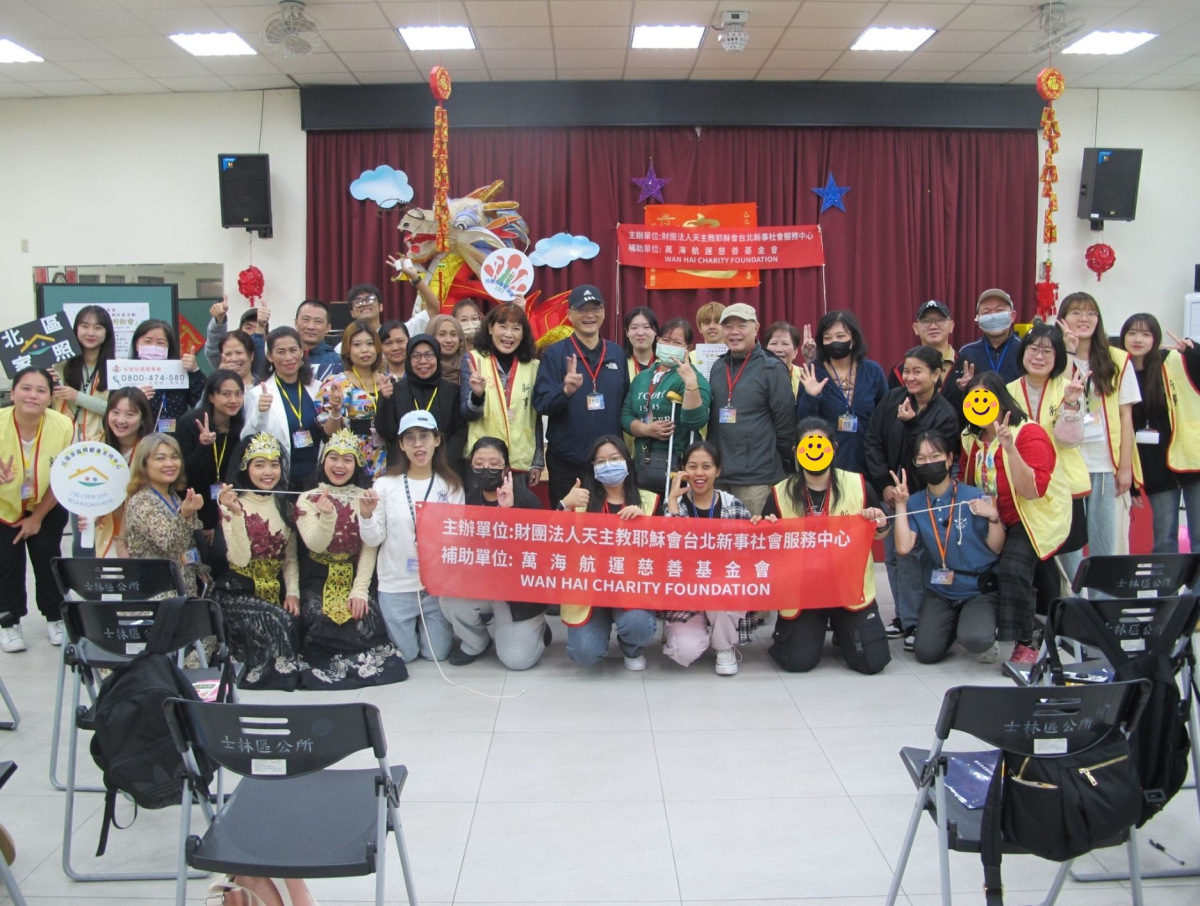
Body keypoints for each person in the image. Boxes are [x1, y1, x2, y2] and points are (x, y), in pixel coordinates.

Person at [755, 417, 892, 674]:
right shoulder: (779, 492)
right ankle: (802, 631)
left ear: (834, 449)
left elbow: (880, 533)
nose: (815, 451)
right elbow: (767, 547)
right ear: (796, 452)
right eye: (807, 446)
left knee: (872, 662)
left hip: (849, 591)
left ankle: (844, 632)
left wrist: (881, 523)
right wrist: (765, 527)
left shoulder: (858, 485)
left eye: (821, 445)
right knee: (798, 662)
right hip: (804, 593)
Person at [960, 372, 1071, 664]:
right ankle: (979, 629)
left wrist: (1009, 448)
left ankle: (1026, 641)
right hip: (990, 515)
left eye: (987, 398)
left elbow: (1031, 491)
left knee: (1012, 568)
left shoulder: (1028, 433)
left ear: (1000, 399)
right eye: (974, 399)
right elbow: (966, 479)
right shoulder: (970, 437)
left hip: (1029, 516)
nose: (981, 405)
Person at [292, 429, 408, 688]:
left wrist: (359, 591)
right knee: (319, 621)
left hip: (356, 574)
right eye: (334, 457)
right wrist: (327, 516)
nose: (339, 465)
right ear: (324, 461)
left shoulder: (364, 496)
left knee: (366, 621)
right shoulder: (307, 498)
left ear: (356, 464)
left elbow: (369, 547)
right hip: (318, 576)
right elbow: (315, 543)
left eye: (347, 459)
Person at [864, 344, 960, 645]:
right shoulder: (893, 399)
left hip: (925, 497)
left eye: (918, 371)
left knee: (919, 559)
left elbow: (932, 455)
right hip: (892, 496)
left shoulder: (944, 413)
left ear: (936, 374)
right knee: (893, 558)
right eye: (907, 370)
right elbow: (873, 441)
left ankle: (921, 622)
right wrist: (885, 486)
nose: (910, 377)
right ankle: (906, 617)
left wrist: (912, 424)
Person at [359, 410, 464, 663]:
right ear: (402, 445)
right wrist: (366, 516)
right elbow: (373, 540)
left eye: (424, 436)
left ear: (437, 440)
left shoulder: (450, 487)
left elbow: (457, 539)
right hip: (396, 586)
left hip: (435, 589)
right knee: (404, 656)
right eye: (411, 438)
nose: (418, 444)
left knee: (436, 655)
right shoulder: (384, 485)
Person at [892, 432, 1005, 664]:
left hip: (977, 588)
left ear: (949, 459)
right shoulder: (915, 502)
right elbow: (903, 548)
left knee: (975, 639)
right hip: (942, 590)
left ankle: (975, 627)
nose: (928, 463)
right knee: (925, 653)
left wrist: (993, 517)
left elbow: (996, 548)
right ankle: (953, 625)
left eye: (935, 456)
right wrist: (901, 505)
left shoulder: (973, 496)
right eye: (921, 459)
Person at [439, 437, 551, 670]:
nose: (486, 469)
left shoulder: (527, 500)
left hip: (518, 594)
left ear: (506, 468)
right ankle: (476, 642)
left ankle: (537, 628)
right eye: (479, 463)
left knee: (517, 660)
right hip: (482, 584)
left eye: (494, 463)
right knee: (448, 596)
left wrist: (508, 513)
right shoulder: (468, 499)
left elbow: (536, 555)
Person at [557, 435, 659, 670]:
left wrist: (645, 524)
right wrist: (564, 505)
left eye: (614, 459)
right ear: (592, 468)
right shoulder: (579, 500)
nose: (608, 465)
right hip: (589, 593)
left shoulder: (647, 501)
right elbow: (552, 542)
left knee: (639, 626)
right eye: (600, 461)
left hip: (629, 589)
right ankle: (599, 632)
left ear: (627, 462)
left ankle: (632, 647)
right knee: (584, 654)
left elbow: (661, 555)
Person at [1058, 292, 1141, 570]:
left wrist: (1125, 466)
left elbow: (1126, 416)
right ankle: (1071, 601)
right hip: (1066, 464)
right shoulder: (1055, 359)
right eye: (1076, 313)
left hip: (1104, 464)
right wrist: (1067, 353)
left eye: (1091, 313)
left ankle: (1102, 605)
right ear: (1062, 320)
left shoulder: (1118, 360)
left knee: (1104, 542)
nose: (1084, 319)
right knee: (1069, 542)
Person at [213, 432, 303, 689]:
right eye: (259, 464)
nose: (268, 472)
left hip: (274, 589)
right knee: (278, 622)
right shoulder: (231, 503)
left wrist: (294, 593)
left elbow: (290, 558)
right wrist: (237, 515)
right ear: (245, 467)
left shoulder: (284, 504)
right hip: (237, 590)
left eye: (274, 464)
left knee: (299, 617)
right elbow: (239, 560)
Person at [1007, 322, 1089, 591]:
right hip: (1024, 489)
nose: (1039, 357)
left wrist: (1071, 404)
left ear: (1058, 358)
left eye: (1048, 351)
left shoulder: (1070, 388)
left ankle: (1075, 622)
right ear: (1022, 352)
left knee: (1069, 563)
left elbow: (1070, 439)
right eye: (1033, 349)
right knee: (1036, 568)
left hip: (1064, 488)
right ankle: (1039, 623)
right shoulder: (1008, 391)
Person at [533, 284, 629, 509]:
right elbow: (541, 404)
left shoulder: (617, 353)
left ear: (604, 312)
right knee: (568, 525)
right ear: (569, 314)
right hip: (567, 462)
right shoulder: (555, 354)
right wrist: (564, 391)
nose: (589, 315)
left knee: (607, 525)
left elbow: (624, 403)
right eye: (582, 309)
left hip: (608, 464)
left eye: (595, 308)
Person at [661, 441, 752, 675]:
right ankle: (676, 629)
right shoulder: (674, 505)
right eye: (692, 466)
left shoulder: (733, 506)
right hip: (685, 593)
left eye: (706, 466)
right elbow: (666, 553)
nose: (699, 473)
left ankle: (724, 647)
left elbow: (748, 557)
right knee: (685, 652)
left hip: (721, 589)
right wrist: (672, 501)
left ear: (718, 471)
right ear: (682, 470)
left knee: (727, 589)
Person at [0, 368, 74, 652]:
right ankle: (9, 623)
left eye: (41, 390)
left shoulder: (63, 425)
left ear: (49, 397)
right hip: (4, 507)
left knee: (47, 559)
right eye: (26, 388)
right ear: (13, 392)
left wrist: (38, 517)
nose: (33, 395)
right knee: (6, 562)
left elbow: (64, 476)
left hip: (47, 503)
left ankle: (55, 617)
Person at [705, 303, 796, 517]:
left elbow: (785, 424)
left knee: (756, 543)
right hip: (720, 476)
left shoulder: (771, 368)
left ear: (756, 328)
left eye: (741, 326)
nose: (734, 332)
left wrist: (768, 456)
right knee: (722, 544)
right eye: (727, 327)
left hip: (757, 479)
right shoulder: (718, 367)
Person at [1121, 313, 1200, 553]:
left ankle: (1195, 591)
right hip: (1153, 466)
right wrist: (1133, 482)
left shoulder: (1174, 360)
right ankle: (1167, 591)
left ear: (1155, 338)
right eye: (1132, 333)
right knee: (1164, 540)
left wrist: (1195, 352)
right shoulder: (1118, 371)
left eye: (1146, 334)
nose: (1138, 339)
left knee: (1199, 538)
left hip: (1191, 459)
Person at [620, 316, 711, 493]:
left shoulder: (693, 377)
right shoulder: (643, 377)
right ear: (657, 340)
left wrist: (691, 384)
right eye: (665, 340)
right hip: (642, 461)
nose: (669, 346)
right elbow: (625, 414)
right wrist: (644, 429)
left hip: (675, 460)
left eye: (677, 342)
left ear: (688, 348)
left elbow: (696, 421)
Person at [796, 310, 888, 475]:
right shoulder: (813, 372)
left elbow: (885, 417)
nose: (834, 342)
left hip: (869, 464)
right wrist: (811, 396)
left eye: (840, 336)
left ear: (853, 339)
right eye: (827, 338)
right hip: (826, 465)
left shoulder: (872, 371)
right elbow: (803, 423)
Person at [461, 303, 544, 486]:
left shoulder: (534, 366)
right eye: (503, 326)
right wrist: (477, 395)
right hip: (483, 461)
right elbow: (468, 414)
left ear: (523, 334)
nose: (509, 334)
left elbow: (535, 417)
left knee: (516, 514)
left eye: (516, 328)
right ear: (490, 328)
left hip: (519, 460)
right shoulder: (473, 359)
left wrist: (537, 461)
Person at [122, 433, 209, 596]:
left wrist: (201, 571)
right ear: (144, 464)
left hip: (183, 592)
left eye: (174, 457)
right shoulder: (142, 501)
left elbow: (186, 544)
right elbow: (169, 543)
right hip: (157, 595)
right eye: (160, 458)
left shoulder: (173, 497)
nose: (170, 464)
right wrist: (185, 514)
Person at [242, 326, 323, 490]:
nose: (288, 357)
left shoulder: (318, 388)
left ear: (301, 352)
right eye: (281, 352)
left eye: (293, 350)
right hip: (279, 480)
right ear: (270, 356)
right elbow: (246, 439)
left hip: (317, 479)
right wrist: (259, 412)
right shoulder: (258, 394)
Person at [376, 333, 468, 466]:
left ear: (437, 357)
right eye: (416, 356)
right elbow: (387, 432)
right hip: (403, 466)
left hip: (444, 467)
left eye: (429, 355)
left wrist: (441, 463)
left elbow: (459, 433)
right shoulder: (395, 390)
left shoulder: (452, 391)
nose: (423, 361)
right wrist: (384, 400)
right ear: (408, 359)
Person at [177, 369, 246, 545]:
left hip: (227, 509)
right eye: (226, 394)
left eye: (238, 394)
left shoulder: (241, 427)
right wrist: (204, 446)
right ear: (211, 397)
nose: (233, 400)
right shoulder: (190, 424)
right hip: (193, 509)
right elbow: (184, 475)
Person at [83, 388, 153, 558]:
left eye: (130, 414)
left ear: (143, 419)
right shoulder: (94, 447)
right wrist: (89, 512)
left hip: (144, 530)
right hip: (106, 528)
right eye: (115, 412)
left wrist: (123, 539)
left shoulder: (152, 448)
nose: (121, 420)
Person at [318, 320, 390, 478]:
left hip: (388, 463)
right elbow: (328, 435)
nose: (365, 350)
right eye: (357, 344)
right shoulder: (336, 383)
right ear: (347, 350)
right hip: (348, 463)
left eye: (370, 344)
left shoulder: (389, 382)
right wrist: (336, 410)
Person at [130, 319, 205, 434]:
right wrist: (134, 400)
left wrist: (195, 371)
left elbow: (201, 403)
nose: (153, 347)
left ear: (169, 347)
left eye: (160, 343)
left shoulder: (180, 371)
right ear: (136, 345)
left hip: (175, 440)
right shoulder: (124, 372)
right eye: (148, 341)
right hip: (138, 441)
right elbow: (112, 412)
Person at [53, 303, 114, 442]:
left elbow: (117, 412)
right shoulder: (60, 367)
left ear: (107, 332)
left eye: (98, 328)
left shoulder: (116, 369)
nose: (90, 333)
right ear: (76, 330)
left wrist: (77, 397)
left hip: (101, 442)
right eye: (85, 326)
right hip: (62, 440)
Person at [889, 300, 961, 409]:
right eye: (926, 321)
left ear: (951, 326)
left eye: (940, 320)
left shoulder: (967, 365)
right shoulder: (899, 370)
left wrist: (968, 389)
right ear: (915, 328)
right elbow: (891, 410)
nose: (933, 326)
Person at [252, 300, 342, 380]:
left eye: (318, 321)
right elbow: (257, 365)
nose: (311, 326)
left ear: (328, 327)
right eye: (306, 320)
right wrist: (260, 327)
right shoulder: (280, 357)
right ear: (296, 322)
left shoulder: (337, 361)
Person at [953, 288, 1023, 391]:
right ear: (978, 319)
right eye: (986, 312)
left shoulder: (1024, 350)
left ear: (1012, 316)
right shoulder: (966, 352)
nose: (993, 316)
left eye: (999, 311)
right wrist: (963, 387)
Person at [204, 298, 266, 374]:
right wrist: (219, 320)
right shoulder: (225, 363)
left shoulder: (270, 362)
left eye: (239, 353)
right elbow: (214, 350)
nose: (234, 358)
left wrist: (261, 328)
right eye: (248, 328)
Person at [765, 321, 803, 396]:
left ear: (795, 352)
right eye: (773, 343)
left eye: (785, 344)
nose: (779, 349)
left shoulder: (803, 375)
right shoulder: (756, 375)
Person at [428, 313, 466, 386]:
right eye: (442, 334)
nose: (449, 340)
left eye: (453, 334)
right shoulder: (422, 369)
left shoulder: (470, 367)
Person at [623, 306, 659, 380]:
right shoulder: (620, 363)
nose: (640, 333)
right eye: (634, 328)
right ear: (627, 332)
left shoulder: (666, 363)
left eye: (646, 327)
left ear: (655, 331)